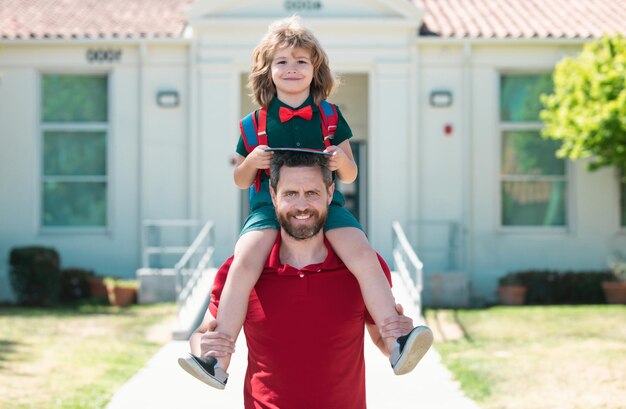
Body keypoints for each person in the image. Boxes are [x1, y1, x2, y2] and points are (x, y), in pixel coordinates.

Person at [179, 16, 432, 389]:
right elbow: (239, 179)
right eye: (282, 61)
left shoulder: (330, 116)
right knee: (246, 258)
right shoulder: (253, 123)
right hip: (269, 207)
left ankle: (396, 340)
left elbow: (350, 174)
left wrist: (339, 159)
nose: (292, 69)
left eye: (301, 61)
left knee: (361, 252)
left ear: (316, 70)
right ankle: (218, 357)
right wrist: (252, 162)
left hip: (328, 205)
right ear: (268, 70)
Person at [181, 151, 427, 408]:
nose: (301, 206)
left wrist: (399, 332)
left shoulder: (362, 268)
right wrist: (203, 345)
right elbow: (202, 335)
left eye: (312, 193)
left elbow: (384, 342)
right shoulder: (241, 270)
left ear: (330, 194)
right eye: (290, 194)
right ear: (273, 196)